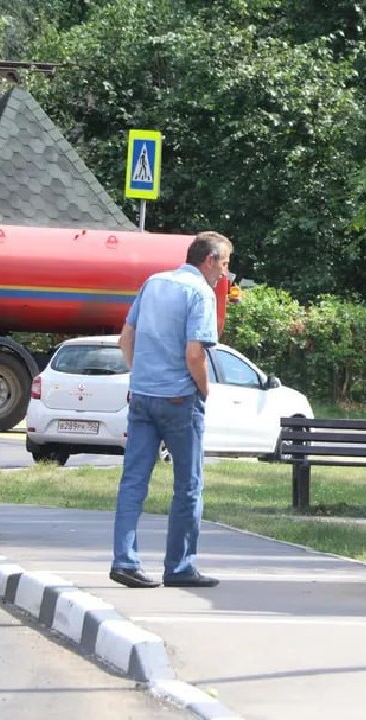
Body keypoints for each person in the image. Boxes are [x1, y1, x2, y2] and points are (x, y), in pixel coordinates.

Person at [109, 231, 233, 589]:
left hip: (143, 396)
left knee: (133, 480)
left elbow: (125, 338)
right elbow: (194, 354)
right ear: (209, 260)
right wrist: (205, 390)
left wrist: (140, 375)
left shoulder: (153, 282)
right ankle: (179, 566)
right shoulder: (201, 293)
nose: (225, 273)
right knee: (188, 484)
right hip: (180, 399)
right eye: (224, 264)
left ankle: (125, 560)